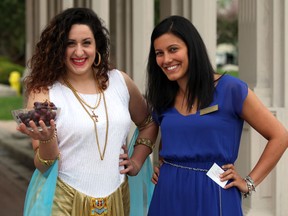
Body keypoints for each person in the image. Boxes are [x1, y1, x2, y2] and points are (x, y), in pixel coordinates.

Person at [17, 7, 158, 216]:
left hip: (119, 200)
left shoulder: (120, 82)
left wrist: (137, 160)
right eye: (70, 44)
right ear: (58, 48)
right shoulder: (45, 92)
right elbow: (43, 165)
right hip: (63, 203)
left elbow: (149, 122)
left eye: (86, 43)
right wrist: (47, 139)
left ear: (97, 46)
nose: (79, 52)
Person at [145, 15, 288, 216]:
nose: (166, 59)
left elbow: (280, 136)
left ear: (191, 49)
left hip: (214, 191)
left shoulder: (230, 89)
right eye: (159, 53)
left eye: (173, 49)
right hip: (168, 193)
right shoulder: (163, 96)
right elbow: (170, 140)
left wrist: (249, 182)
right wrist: (164, 165)